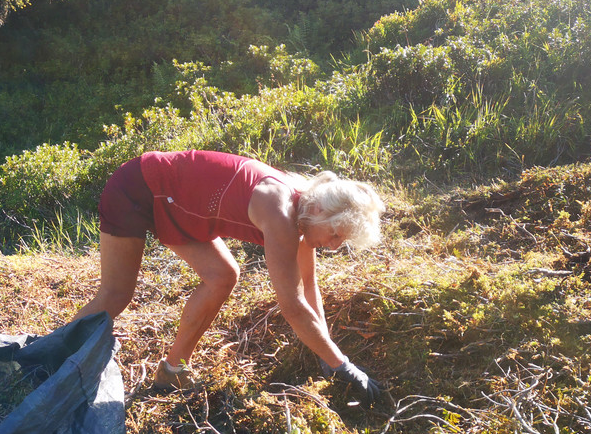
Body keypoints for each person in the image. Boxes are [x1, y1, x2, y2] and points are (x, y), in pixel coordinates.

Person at [73, 149, 385, 405]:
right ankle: (50, 359)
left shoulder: (305, 214)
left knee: (222, 276)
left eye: (341, 240)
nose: (334, 246)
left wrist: (328, 355)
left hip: (178, 206)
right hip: (139, 187)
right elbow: (292, 305)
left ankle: (172, 372)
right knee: (116, 295)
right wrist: (342, 365)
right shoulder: (280, 213)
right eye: (335, 234)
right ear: (319, 210)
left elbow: (308, 286)